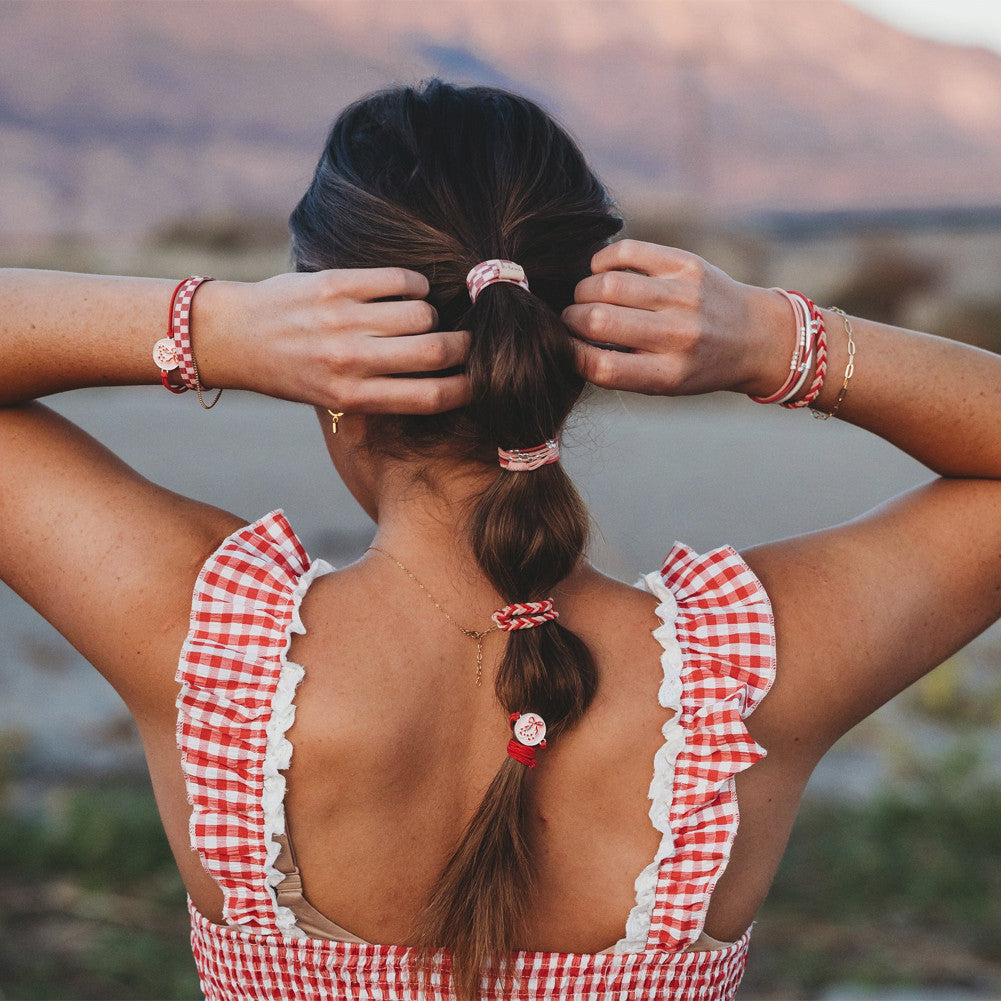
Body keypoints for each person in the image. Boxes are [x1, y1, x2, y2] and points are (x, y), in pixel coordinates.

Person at [2, 79, 1000, 1001]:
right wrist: (778, 341)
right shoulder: (739, 675)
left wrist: (212, 326)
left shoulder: (211, 645)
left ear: (326, 371)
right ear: (567, 363)